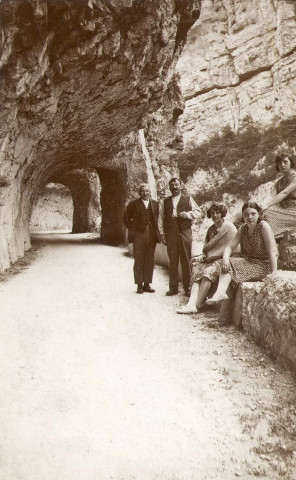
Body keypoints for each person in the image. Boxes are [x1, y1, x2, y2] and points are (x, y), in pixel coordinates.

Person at [203, 202, 277, 305]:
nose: (249, 217)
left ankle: (220, 292)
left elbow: (272, 251)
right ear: (242, 215)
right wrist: (225, 257)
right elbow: (229, 247)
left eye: (253, 214)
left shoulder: (263, 226)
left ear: (259, 214)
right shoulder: (243, 228)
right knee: (223, 263)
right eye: (246, 214)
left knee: (231, 265)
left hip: (263, 265)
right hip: (249, 262)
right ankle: (220, 293)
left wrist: (274, 276)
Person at [176, 202, 237, 314]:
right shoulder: (211, 229)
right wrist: (204, 256)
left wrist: (215, 257)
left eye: (218, 212)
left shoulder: (230, 228)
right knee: (197, 270)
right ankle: (191, 303)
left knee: (207, 272)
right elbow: (207, 247)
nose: (215, 215)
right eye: (213, 213)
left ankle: (197, 304)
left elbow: (234, 249)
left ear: (222, 214)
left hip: (224, 259)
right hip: (211, 259)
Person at [159, 177, 201, 296]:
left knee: (186, 260)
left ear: (181, 186)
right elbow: (161, 218)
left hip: (185, 231)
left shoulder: (188, 199)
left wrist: (187, 214)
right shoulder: (165, 201)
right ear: (169, 187)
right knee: (172, 260)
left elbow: (198, 212)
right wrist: (162, 233)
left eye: (176, 184)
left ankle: (188, 288)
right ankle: (173, 288)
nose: (174, 187)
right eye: (172, 185)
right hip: (171, 231)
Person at [122, 183, 160, 294]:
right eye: (143, 191)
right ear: (139, 192)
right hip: (138, 235)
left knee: (150, 259)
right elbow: (125, 218)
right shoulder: (133, 204)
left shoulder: (155, 204)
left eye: (147, 191)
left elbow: (157, 219)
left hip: (151, 235)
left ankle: (147, 284)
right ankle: (139, 285)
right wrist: (132, 227)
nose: (145, 193)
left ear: (150, 192)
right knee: (139, 259)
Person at [262, 154, 296, 239]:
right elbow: (272, 198)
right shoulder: (279, 182)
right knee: (264, 213)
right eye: (279, 163)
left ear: (291, 163)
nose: (282, 165)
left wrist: (267, 206)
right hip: (283, 209)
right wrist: (261, 207)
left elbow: (284, 193)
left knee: (268, 212)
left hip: (294, 210)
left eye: (285, 162)